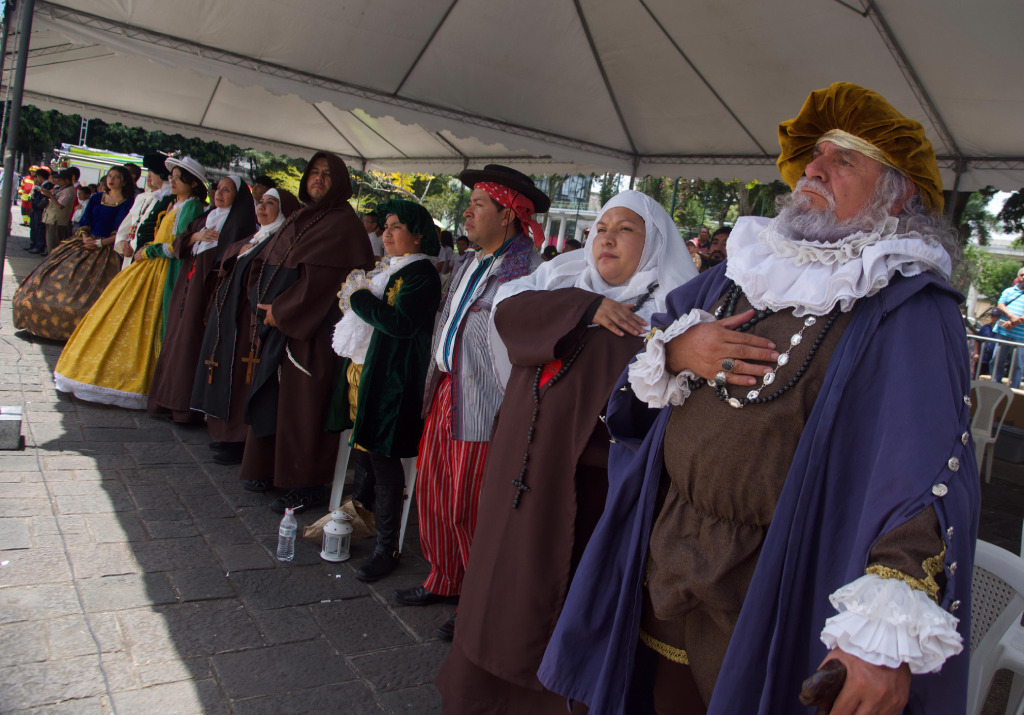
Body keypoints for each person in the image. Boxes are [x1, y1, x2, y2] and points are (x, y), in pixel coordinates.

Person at [540, 82, 978, 714]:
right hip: (668, 547)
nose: (814, 170)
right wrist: (678, 352)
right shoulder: (744, 268)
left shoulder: (908, 304)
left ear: (898, 192)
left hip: (774, 582)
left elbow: (930, 470)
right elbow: (643, 356)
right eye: (815, 156)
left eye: (844, 159)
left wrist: (885, 627)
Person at [437, 190, 698, 712]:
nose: (607, 237)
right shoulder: (562, 281)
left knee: (552, 605)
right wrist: (587, 308)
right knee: (496, 593)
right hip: (518, 475)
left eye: (626, 229)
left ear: (654, 244)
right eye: (602, 227)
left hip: (587, 494)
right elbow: (510, 315)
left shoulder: (675, 316)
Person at [393, 165, 548, 640]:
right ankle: (445, 577)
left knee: (468, 502)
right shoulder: (471, 259)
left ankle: (477, 601)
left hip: (485, 402)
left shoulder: (526, 270)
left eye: (480, 203)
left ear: (507, 215)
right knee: (435, 493)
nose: (468, 211)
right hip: (447, 390)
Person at [239, 152, 375, 514]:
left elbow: (322, 283)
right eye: (314, 172)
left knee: (303, 408)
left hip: (312, 331)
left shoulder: (343, 224)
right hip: (282, 324)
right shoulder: (299, 216)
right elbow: (268, 261)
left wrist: (280, 312)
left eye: (327, 175)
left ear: (342, 182)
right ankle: (268, 469)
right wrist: (260, 302)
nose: (318, 179)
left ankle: (307, 484)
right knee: (276, 399)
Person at [328, 199, 442, 581]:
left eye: (396, 227)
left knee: (383, 456)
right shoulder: (392, 268)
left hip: (395, 379)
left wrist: (358, 298)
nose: (386, 232)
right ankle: (363, 519)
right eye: (386, 226)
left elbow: (401, 323)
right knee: (367, 452)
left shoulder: (421, 273)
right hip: (371, 371)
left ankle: (387, 548)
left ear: (418, 235)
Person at [53, 157, 207, 407]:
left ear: (192, 183)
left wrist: (148, 251)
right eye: (173, 177)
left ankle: (143, 382)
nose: (173, 181)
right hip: (149, 266)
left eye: (178, 178)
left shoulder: (191, 206)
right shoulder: (174, 203)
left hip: (163, 270)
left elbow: (178, 244)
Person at [191, 188, 301, 464]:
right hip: (229, 317)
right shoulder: (255, 237)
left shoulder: (282, 241)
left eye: (270, 203)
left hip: (249, 322)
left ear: (285, 211)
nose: (262, 207)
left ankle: (238, 439)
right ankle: (223, 433)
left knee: (243, 376)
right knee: (226, 371)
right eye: (260, 202)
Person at [147, 175, 257, 423]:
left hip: (205, 293)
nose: (219, 193)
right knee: (175, 340)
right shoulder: (204, 217)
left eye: (227, 190)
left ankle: (184, 409)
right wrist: (196, 237)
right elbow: (180, 243)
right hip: (185, 287)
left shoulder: (239, 225)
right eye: (218, 188)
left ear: (237, 197)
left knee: (191, 344)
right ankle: (164, 401)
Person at [12, 166, 135, 340]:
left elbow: (123, 230)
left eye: (116, 177)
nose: (111, 179)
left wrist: (101, 242)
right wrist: (85, 237)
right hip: (85, 242)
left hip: (110, 248)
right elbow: (85, 221)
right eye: (109, 176)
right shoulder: (96, 198)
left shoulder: (129, 203)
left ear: (124, 181)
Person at [114, 153, 174, 270]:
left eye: (152, 172)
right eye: (148, 172)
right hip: (130, 255)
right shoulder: (141, 198)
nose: (149, 176)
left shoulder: (167, 200)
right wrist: (122, 243)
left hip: (146, 257)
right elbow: (126, 227)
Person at [991, 267, 1024, 388]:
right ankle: (995, 386)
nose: (1023, 277)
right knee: (996, 361)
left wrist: (1014, 322)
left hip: (1020, 337)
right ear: (1018, 277)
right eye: (1022, 275)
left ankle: (1014, 389)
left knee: (1018, 365)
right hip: (1003, 333)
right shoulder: (1009, 291)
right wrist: (1011, 316)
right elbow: (1000, 306)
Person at [39, 169, 76, 254]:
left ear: (66, 180)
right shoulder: (61, 188)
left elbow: (60, 206)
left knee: (53, 245)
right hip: (51, 219)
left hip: (57, 221)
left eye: (59, 180)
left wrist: (50, 196)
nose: (58, 182)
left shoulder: (69, 190)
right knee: (49, 244)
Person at [27, 167, 53, 255]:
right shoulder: (41, 186)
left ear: (39, 176)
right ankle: (35, 244)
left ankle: (39, 246)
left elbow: (44, 199)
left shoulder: (47, 186)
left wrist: (36, 207)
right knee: (35, 227)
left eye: (36, 176)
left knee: (40, 228)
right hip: (36, 210)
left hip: (40, 210)